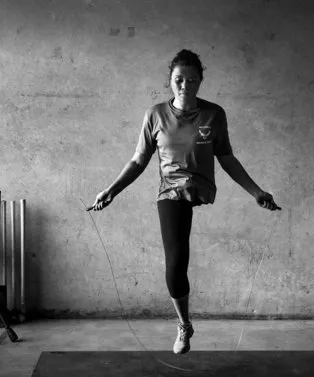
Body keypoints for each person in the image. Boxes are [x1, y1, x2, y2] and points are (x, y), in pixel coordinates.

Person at [89, 49, 281, 355]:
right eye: (179, 79)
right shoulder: (155, 115)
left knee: (181, 256)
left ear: (200, 82)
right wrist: (110, 191)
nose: (185, 86)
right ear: (170, 80)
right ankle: (184, 325)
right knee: (176, 263)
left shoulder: (214, 114)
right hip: (170, 192)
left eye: (192, 80)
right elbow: (139, 160)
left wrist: (256, 192)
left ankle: (184, 324)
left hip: (201, 187)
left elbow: (227, 157)